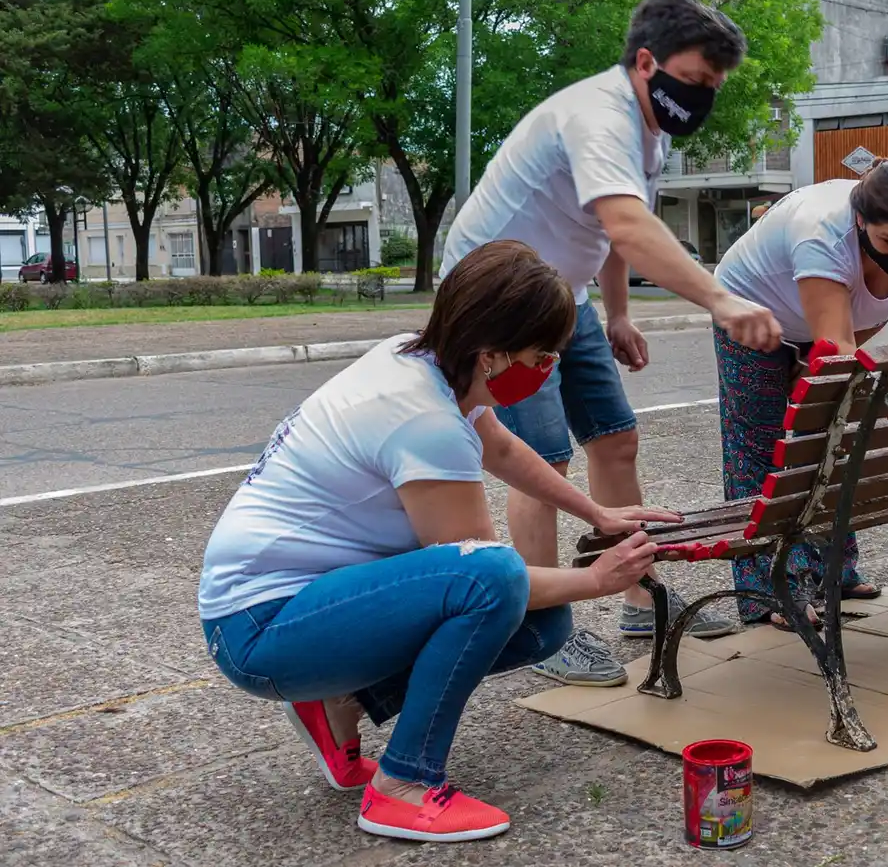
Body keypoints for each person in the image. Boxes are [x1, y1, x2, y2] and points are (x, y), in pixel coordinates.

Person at [197, 241, 679, 842]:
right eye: (541, 356)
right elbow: (488, 575)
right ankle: (403, 783)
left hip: (289, 606)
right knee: (495, 580)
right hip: (259, 629)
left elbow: (501, 447)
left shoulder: (423, 359)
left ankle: (340, 703)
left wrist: (596, 511)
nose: (549, 368)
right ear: (491, 355)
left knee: (545, 626)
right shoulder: (426, 422)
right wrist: (598, 579)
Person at [439, 0, 783, 687]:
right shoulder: (598, 115)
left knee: (616, 438)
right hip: (496, 300)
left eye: (712, 87)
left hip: (562, 294)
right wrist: (720, 300)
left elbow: (613, 230)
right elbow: (627, 224)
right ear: (646, 62)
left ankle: (638, 599)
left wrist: (620, 314)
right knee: (541, 461)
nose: (701, 98)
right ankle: (540, 629)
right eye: (694, 80)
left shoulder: (647, 131)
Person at [713, 159, 888, 628]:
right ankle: (769, 591)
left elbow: (874, 315)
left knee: (827, 440)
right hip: (749, 307)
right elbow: (838, 355)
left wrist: (816, 368)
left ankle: (833, 569)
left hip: (814, 319)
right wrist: (817, 371)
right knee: (761, 447)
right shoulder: (822, 236)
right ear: (860, 221)